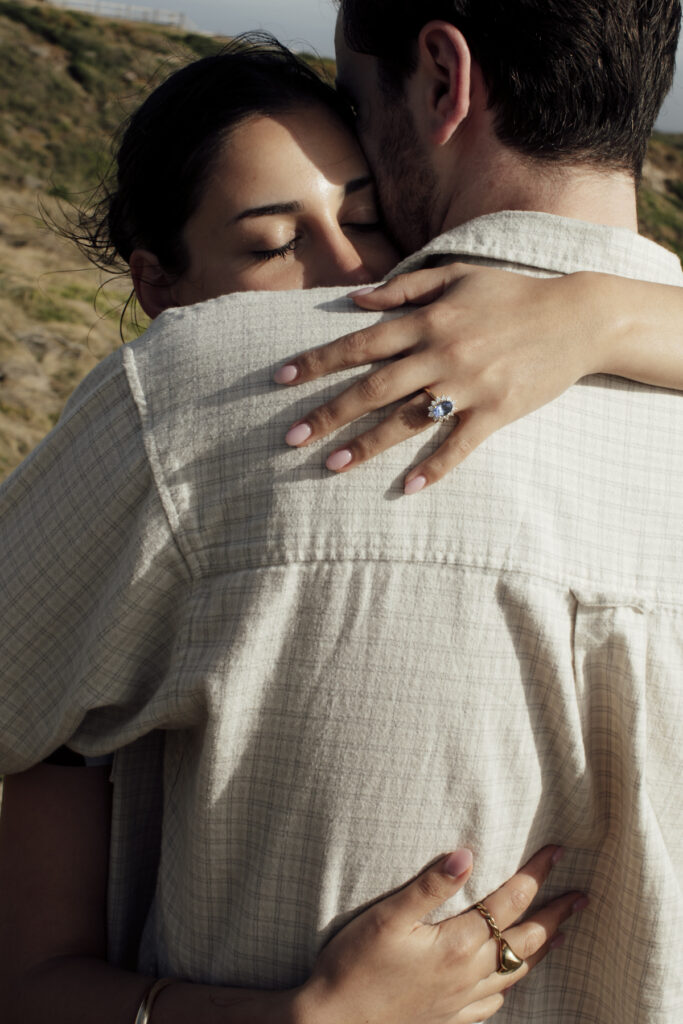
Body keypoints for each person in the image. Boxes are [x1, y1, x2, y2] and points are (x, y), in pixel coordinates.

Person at [0, 11, 682, 1021]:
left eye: (358, 107)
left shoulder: (199, 395)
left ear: (441, 78)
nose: (355, 268)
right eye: (278, 239)